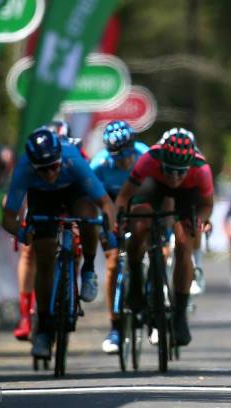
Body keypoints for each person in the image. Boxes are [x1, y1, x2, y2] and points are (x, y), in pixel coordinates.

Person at [2, 128, 117, 357]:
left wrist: (108, 225)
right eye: (43, 170)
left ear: (60, 160)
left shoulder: (73, 160)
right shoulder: (24, 169)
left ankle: (88, 269)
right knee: (43, 256)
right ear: (33, 166)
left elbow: (105, 203)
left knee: (87, 214)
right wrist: (22, 233)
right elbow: (7, 218)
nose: (50, 174)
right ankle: (44, 327)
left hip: (74, 190)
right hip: (42, 198)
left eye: (54, 166)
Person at [115, 128, 214, 346]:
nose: (175, 177)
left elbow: (207, 205)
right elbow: (124, 197)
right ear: (162, 161)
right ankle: (135, 281)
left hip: (187, 196)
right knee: (139, 223)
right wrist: (120, 218)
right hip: (154, 187)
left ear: (189, 165)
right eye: (170, 170)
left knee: (183, 244)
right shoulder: (149, 159)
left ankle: (179, 315)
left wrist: (200, 220)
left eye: (180, 171)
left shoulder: (201, 169)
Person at [89, 120, 149, 354]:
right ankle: (114, 327)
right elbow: (90, 198)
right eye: (117, 155)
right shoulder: (99, 164)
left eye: (126, 154)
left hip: (140, 204)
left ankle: (146, 291)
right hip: (110, 208)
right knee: (113, 262)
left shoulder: (145, 156)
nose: (123, 160)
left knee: (142, 247)